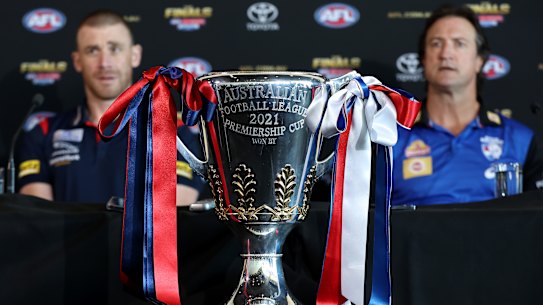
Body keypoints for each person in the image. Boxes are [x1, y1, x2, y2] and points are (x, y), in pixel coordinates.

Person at [16, 9, 204, 205]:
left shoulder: (175, 134)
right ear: (77, 61)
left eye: (114, 48)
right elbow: (39, 220)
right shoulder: (43, 133)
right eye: (92, 51)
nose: (104, 63)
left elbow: (174, 220)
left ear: (135, 55)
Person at [392, 5, 543, 206]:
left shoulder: (519, 140)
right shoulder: (390, 138)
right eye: (436, 43)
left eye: (459, 43)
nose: (446, 53)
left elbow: (533, 225)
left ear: (480, 60)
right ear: (423, 59)